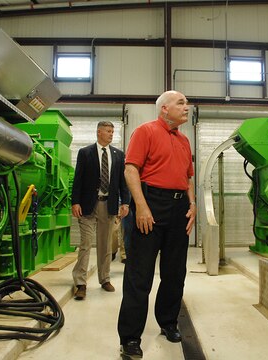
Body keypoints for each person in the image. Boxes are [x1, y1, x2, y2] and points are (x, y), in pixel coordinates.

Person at [117, 91, 196, 359]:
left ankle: (168, 322)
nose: (187, 107)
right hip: (151, 202)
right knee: (140, 275)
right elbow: (131, 170)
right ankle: (129, 338)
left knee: (175, 272)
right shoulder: (145, 131)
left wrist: (193, 205)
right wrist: (141, 205)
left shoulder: (184, 140)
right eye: (181, 103)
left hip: (178, 209)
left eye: (186, 103)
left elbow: (188, 178)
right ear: (164, 109)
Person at [71, 121, 130, 299]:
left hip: (108, 204)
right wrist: (75, 202)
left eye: (113, 131)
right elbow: (78, 179)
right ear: (99, 132)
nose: (111, 134)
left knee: (105, 245)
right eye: (108, 131)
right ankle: (80, 283)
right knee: (86, 243)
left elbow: (122, 182)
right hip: (88, 204)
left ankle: (104, 279)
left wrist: (125, 203)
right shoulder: (85, 153)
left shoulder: (118, 155)